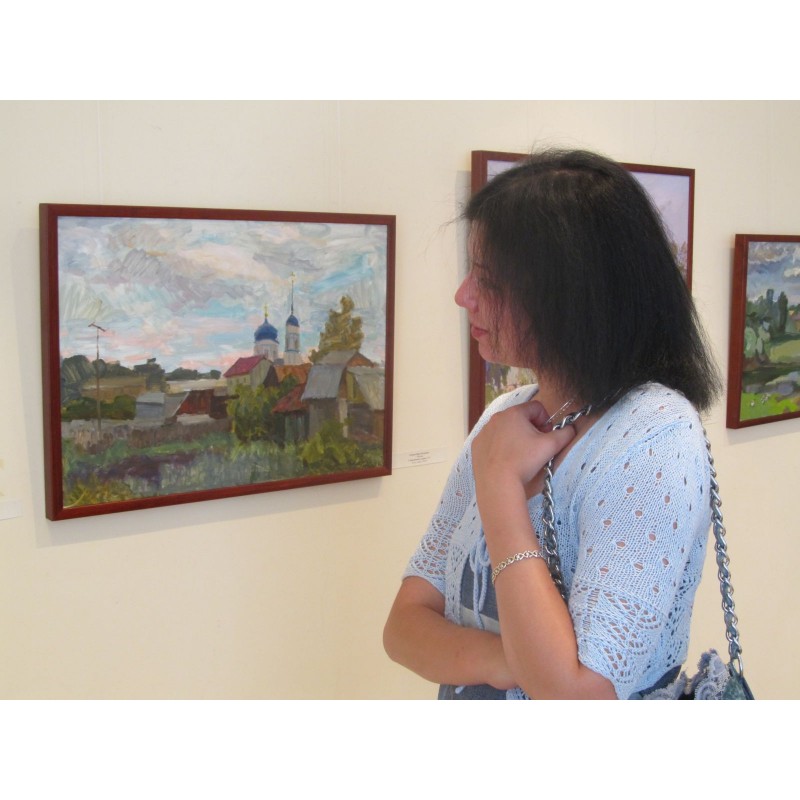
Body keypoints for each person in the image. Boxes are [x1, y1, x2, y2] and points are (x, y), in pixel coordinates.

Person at [383, 148, 722, 700]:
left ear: (570, 293)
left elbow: (577, 695)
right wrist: (513, 660)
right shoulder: (506, 415)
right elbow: (403, 627)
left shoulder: (655, 435)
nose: (463, 296)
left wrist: (499, 485)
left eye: (488, 279)